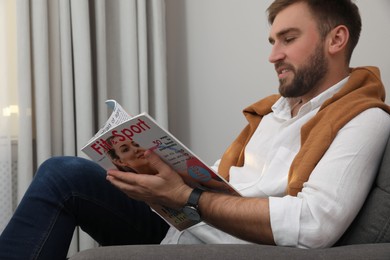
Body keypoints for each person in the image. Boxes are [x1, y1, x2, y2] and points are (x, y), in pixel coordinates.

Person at [1, 0, 390, 259]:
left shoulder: (364, 118)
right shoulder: (272, 113)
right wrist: (157, 173)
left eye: (288, 39)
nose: (273, 55)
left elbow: (314, 225)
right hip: (188, 224)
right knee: (62, 173)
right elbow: (220, 180)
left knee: (62, 177)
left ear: (336, 39)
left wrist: (187, 197)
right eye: (272, 41)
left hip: (228, 244)